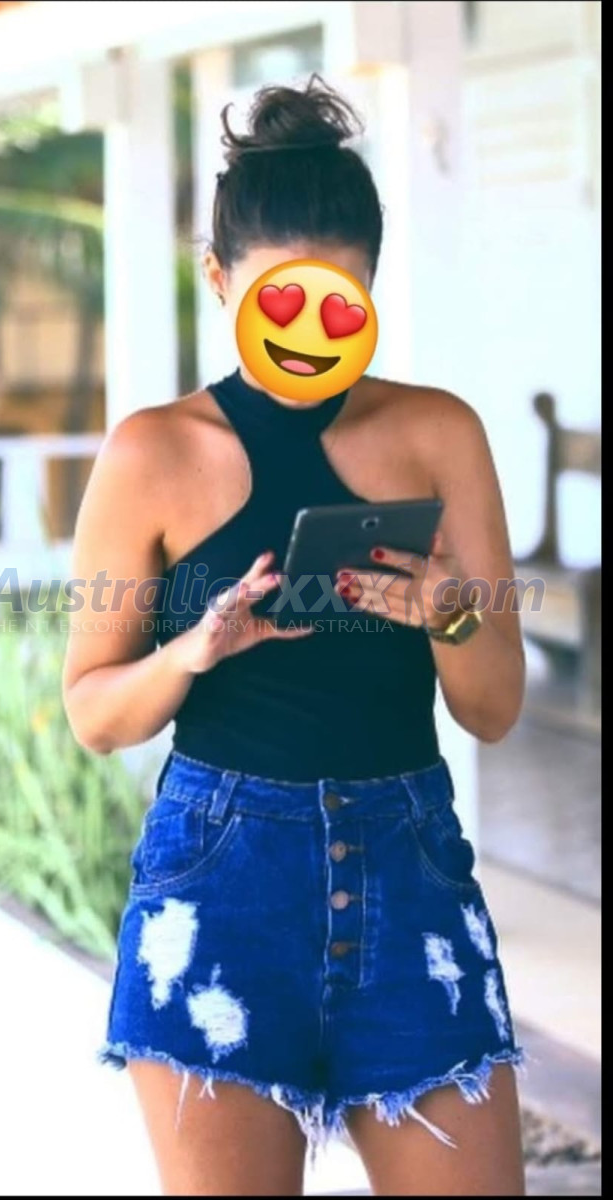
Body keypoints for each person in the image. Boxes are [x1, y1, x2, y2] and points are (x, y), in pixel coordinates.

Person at [62, 75, 526, 1197]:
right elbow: (92, 711)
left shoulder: (437, 432)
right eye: (277, 300)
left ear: (368, 288)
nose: (309, 334)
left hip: (410, 871)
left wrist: (449, 611)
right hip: (220, 882)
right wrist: (191, 652)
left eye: (338, 303)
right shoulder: (151, 453)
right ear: (217, 280)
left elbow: (493, 707)